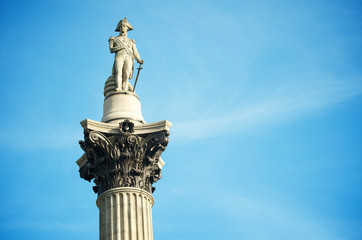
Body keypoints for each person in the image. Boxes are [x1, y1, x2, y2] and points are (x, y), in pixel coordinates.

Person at [109, 18, 144, 91]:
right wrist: (120, 47)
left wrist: (139, 59)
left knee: (126, 75)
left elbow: (135, 52)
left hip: (129, 56)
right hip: (119, 56)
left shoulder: (131, 41)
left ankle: (125, 89)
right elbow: (111, 50)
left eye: (124, 26)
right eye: (121, 26)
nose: (122, 27)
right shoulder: (114, 39)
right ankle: (118, 87)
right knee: (118, 72)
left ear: (127, 28)